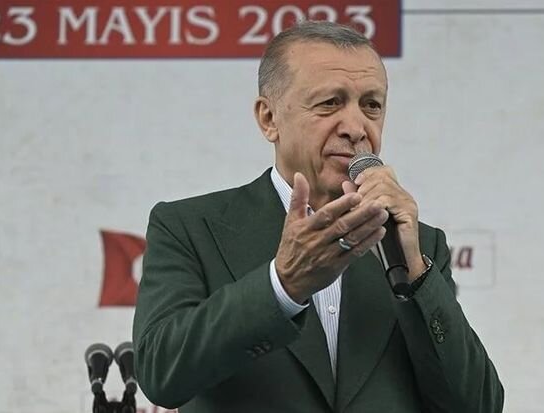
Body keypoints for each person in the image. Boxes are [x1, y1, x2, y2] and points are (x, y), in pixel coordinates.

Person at [133, 21, 504, 413]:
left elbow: (478, 405)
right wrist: (282, 285)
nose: (356, 128)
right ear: (269, 119)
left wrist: (414, 274)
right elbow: (161, 373)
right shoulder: (190, 227)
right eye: (329, 102)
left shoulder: (418, 246)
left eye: (371, 105)